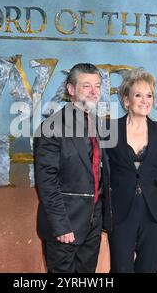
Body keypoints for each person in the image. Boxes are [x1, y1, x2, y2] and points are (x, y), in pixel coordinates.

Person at [33, 63, 112, 273]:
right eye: (87, 86)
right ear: (71, 89)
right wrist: (61, 226)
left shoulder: (101, 125)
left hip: (93, 225)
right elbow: (46, 182)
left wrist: (103, 217)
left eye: (97, 86)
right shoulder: (52, 128)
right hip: (65, 225)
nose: (94, 92)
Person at [106, 67, 157, 273]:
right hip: (120, 214)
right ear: (126, 100)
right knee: (120, 270)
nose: (145, 100)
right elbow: (101, 173)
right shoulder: (109, 129)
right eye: (138, 95)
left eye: (149, 95)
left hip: (154, 215)